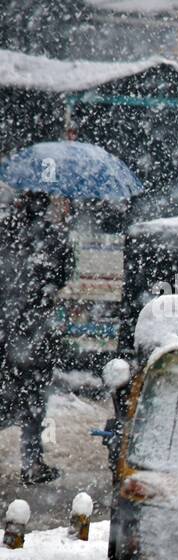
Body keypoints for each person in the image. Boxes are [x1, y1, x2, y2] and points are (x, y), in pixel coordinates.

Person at [0, 190, 72, 484]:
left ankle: (33, 462)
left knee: (10, 398)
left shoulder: (5, 233)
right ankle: (32, 463)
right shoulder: (52, 237)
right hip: (33, 336)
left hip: (5, 332)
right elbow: (64, 275)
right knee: (32, 403)